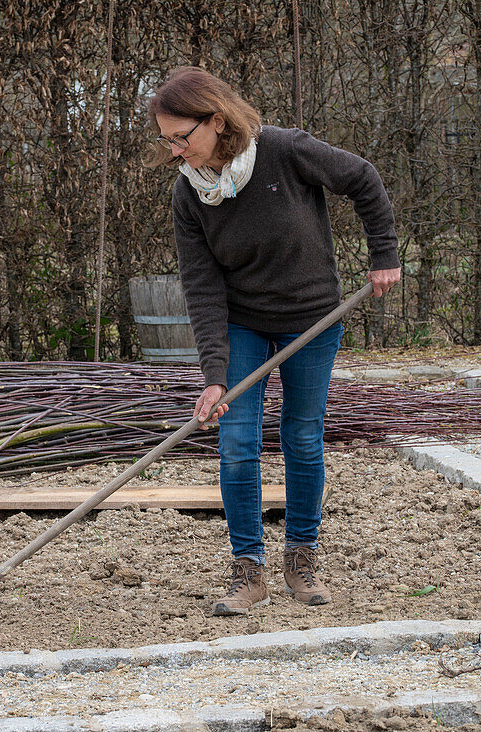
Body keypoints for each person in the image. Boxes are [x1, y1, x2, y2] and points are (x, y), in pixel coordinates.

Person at [145, 67, 401, 615]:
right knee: (237, 441)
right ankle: (249, 569)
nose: (173, 151)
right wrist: (215, 376)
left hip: (311, 319)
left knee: (302, 438)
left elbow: (363, 178)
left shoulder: (284, 150)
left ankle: (301, 559)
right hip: (242, 323)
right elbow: (202, 286)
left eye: (180, 137)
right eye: (165, 139)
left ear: (216, 121)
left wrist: (385, 255)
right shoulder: (189, 195)